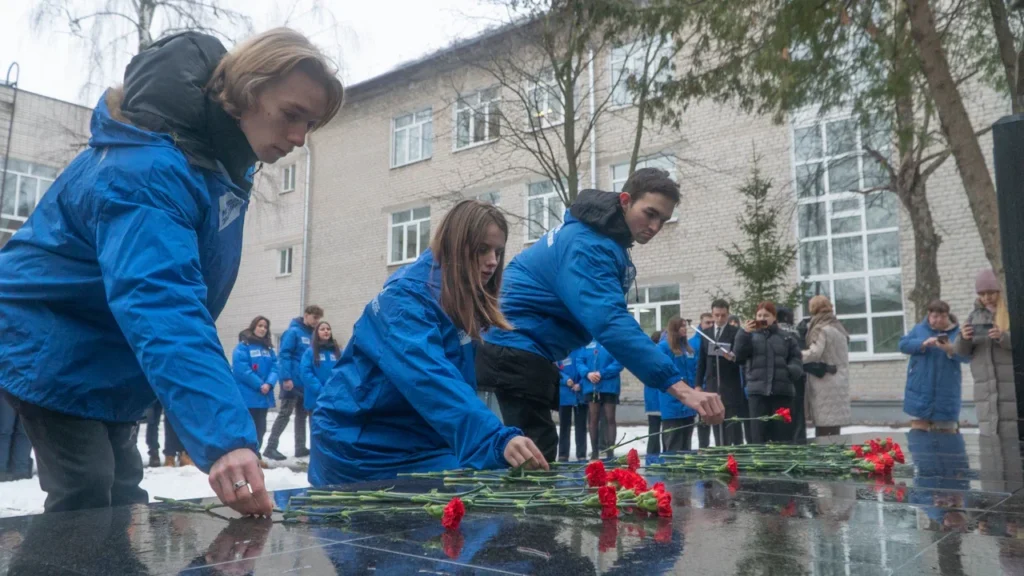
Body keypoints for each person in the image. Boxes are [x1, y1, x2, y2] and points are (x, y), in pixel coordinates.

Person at [0, 28, 343, 515]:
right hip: (46, 335)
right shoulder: (150, 167)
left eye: (310, 125)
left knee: (121, 488)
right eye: (291, 115)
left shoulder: (216, 169)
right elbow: (161, 297)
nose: (298, 138)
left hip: (105, 347)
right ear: (244, 92)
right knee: (87, 489)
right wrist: (225, 438)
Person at [475, 169, 725, 461]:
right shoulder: (589, 245)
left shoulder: (597, 236)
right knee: (527, 467)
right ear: (624, 201)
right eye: (650, 213)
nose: (655, 226)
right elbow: (610, 322)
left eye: (664, 220)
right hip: (513, 353)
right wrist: (681, 389)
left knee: (529, 460)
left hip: (519, 351)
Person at [309, 200, 548, 484]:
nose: (493, 261)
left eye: (498, 251)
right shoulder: (405, 302)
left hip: (410, 438)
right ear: (456, 246)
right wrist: (493, 438)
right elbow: (430, 379)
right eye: (482, 249)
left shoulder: (454, 299)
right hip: (361, 446)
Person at [955, 269, 1018, 438]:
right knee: (990, 438)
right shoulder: (974, 316)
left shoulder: (1014, 312)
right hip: (984, 388)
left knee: (1012, 436)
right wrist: (964, 338)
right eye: (982, 294)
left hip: (1010, 384)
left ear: (1000, 291)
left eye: (991, 292)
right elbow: (961, 352)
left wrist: (1002, 337)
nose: (987, 298)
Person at [733, 301, 803, 444]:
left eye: (766, 315)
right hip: (757, 393)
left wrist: (790, 371)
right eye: (759, 315)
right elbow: (739, 356)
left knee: (782, 436)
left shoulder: (787, 337)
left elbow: (796, 359)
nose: (762, 318)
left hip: (782, 392)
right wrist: (743, 333)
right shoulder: (749, 336)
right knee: (758, 436)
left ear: (774, 317)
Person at [264, 304, 323, 461]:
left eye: (319, 319)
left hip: (305, 383)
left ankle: (300, 447)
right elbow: (284, 355)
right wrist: (286, 378)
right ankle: (270, 447)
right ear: (306, 315)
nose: (317, 322)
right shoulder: (293, 332)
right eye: (315, 318)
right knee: (285, 414)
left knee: (301, 415)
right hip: (292, 381)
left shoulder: (312, 335)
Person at [901, 300, 970, 431]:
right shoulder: (919, 329)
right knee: (918, 436)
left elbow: (967, 358)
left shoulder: (957, 333)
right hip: (919, 392)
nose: (938, 320)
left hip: (946, 393)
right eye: (935, 317)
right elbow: (903, 345)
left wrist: (950, 349)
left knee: (947, 437)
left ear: (948, 316)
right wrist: (922, 343)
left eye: (943, 317)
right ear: (928, 315)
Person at [695, 300, 744, 447]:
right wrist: (698, 384)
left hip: (729, 386)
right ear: (712, 314)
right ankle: (718, 451)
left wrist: (733, 357)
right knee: (715, 421)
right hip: (712, 385)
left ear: (728, 314)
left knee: (729, 424)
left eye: (723, 315)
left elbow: (742, 357)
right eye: (717, 315)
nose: (720, 319)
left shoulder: (735, 333)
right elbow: (702, 361)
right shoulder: (706, 334)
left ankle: (729, 452)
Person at [801, 296, 851, 437]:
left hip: (824, 380)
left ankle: (824, 457)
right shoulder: (838, 327)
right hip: (839, 379)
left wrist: (796, 355)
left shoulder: (821, 329)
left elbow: (815, 353)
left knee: (824, 424)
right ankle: (836, 455)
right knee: (834, 425)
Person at [232, 316, 278, 461]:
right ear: (253, 327)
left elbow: (276, 367)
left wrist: (269, 383)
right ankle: (246, 456)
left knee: (261, 427)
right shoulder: (243, 347)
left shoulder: (268, 348)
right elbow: (242, 370)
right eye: (260, 325)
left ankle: (256, 455)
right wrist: (259, 384)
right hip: (248, 395)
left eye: (265, 327)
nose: (263, 329)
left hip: (263, 396)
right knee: (248, 427)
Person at [575, 341, 624, 459]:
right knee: (593, 418)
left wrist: (602, 373)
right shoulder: (586, 342)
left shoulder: (611, 341)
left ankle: (610, 451)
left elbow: (619, 362)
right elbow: (579, 361)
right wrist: (587, 373)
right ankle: (595, 452)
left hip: (609, 386)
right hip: (591, 386)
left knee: (610, 418)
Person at [657, 317, 699, 452]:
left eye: (685, 326)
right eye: (681, 326)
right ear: (674, 329)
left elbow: (694, 371)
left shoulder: (688, 349)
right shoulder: (663, 347)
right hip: (672, 402)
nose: (685, 329)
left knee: (686, 443)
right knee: (673, 443)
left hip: (688, 403)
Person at [776, 306, 809, 443]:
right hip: (799, 376)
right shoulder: (797, 332)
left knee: (785, 412)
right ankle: (800, 439)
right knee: (799, 411)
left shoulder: (777, 333)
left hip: (783, 377)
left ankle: (788, 441)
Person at [299, 321, 342, 416]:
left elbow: (343, 371)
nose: (326, 331)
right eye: (322, 329)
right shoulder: (310, 352)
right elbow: (305, 373)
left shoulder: (338, 352)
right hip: (316, 399)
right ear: (316, 333)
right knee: (317, 430)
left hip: (334, 398)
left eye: (328, 329)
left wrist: (335, 390)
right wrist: (321, 390)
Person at [556, 354, 587, 461]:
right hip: (564, 394)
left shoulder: (581, 350)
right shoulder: (560, 351)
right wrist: (566, 380)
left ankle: (581, 453)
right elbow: (555, 370)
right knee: (564, 425)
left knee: (581, 426)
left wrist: (581, 384)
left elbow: (586, 368)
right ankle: (563, 453)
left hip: (580, 395)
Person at [0, 392, 32, 481]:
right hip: (8, 386)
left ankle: (20, 470)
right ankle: (3, 469)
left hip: (29, 390)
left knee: (24, 431)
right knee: (4, 430)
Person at [644, 331, 664, 455]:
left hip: (652, 397)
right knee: (661, 429)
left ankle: (652, 454)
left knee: (654, 429)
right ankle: (655, 455)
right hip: (659, 396)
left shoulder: (647, 355)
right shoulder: (658, 354)